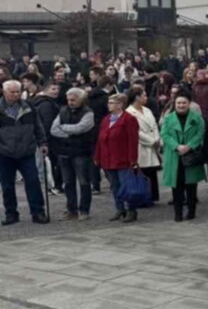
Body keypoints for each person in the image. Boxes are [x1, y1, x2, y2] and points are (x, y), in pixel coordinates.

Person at [0, 79, 49, 225]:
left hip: (26, 152)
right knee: (7, 185)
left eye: (18, 91)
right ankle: (11, 213)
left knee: (33, 182)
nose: (16, 94)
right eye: (12, 92)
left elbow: (38, 126)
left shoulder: (29, 106)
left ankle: (38, 212)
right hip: (4, 153)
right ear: (3, 91)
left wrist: (43, 143)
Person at [50, 87, 95, 221]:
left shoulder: (88, 112)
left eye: (73, 100)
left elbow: (81, 128)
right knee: (68, 183)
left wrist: (64, 129)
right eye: (69, 99)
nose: (70, 102)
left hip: (81, 151)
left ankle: (84, 210)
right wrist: (71, 132)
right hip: (64, 152)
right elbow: (53, 129)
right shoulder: (63, 110)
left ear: (81, 100)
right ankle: (71, 209)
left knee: (84, 182)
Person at [93, 93, 139, 222]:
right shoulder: (106, 119)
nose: (109, 105)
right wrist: (97, 156)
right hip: (108, 158)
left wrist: (133, 159)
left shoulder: (129, 119)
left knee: (126, 186)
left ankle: (131, 210)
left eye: (111, 102)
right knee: (114, 186)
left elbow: (133, 140)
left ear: (120, 104)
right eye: (109, 102)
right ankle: (120, 208)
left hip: (123, 158)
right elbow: (100, 139)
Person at [160, 93, 206, 221]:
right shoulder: (168, 118)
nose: (181, 105)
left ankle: (191, 211)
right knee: (176, 186)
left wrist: (189, 146)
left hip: (191, 155)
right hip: (174, 155)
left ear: (189, 104)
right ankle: (178, 213)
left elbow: (200, 132)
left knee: (191, 185)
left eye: (184, 103)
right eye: (178, 103)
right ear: (175, 104)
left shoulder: (196, 117)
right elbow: (164, 134)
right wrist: (177, 146)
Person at [127, 86, 163, 204]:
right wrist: (151, 141)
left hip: (152, 144)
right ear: (137, 97)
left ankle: (152, 196)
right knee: (142, 171)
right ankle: (143, 197)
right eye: (144, 95)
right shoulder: (129, 112)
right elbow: (135, 132)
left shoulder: (147, 110)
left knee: (151, 171)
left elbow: (154, 125)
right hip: (140, 145)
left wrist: (157, 139)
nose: (146, 97)